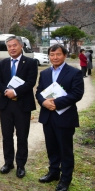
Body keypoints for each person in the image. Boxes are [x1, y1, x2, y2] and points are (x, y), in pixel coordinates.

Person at [36, 44, 84, 191]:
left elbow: (77, 93)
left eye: (58, 54)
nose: (54, 57)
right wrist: (44, 102)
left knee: (65, 149)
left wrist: (55, 103)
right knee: (51, 147)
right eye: (52, 54)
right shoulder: (44, 73)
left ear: (64, 55)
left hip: (65, 117)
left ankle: (65, 179)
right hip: (48, 117)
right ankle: (54, 172)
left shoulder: (74, 72)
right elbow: (39, 92)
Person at [0, 35, 38, 178]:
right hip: (6, 105)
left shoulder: (30, 62)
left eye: (14, 45)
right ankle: (8, 163)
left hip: (22, 105)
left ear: (21, 46)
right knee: (7, 136)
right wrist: (6, 91)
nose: (12, 48)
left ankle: (21, 165)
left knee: (22, 136)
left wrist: (15, 92)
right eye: (9, 46)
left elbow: (31, 82)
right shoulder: (3, 63)